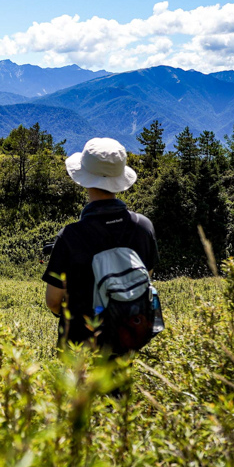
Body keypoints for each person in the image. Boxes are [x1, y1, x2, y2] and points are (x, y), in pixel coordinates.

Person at [42, 137, 158, 347]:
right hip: (126, 340)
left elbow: (53, 302)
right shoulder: (144, 226)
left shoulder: (70, 236)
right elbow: (144, 281)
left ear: (84, 178)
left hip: (81, 348)